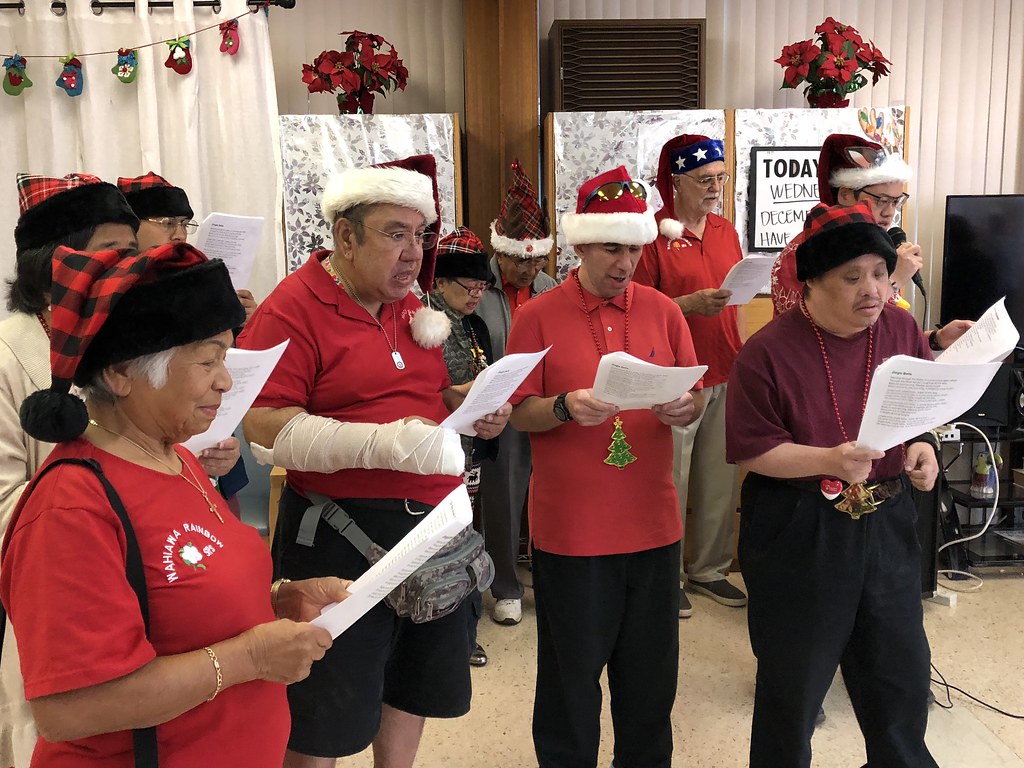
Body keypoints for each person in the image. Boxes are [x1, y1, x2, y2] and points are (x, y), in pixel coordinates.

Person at [0, 240, 348, 768]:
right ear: (120, 372)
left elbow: (177, 602)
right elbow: (68, 707)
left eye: (226, 357)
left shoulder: (175, 457)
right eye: (208, 360)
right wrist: (251, 656)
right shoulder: (72, 505)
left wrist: (275, 601)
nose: (226, 381)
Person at [237, 155, 510, 768]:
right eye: (394, 233)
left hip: (433, 529)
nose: (413, 253)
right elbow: (263, 426)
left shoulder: (407, 304)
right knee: (324, 713)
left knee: (411, 685)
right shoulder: (294, 306)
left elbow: (410, 393)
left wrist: (462, 403)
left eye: (420, 234)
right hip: (340, 533)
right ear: (344, 235)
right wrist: (384, 442)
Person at [726, 201, 941, 768]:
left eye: (879, 272)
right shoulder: (767, 352)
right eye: (853, 277)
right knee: (793, 689)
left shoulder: (899, 326)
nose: (873, 289)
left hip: (888, 523)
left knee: (899, 678)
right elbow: (753, 450)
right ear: (812, 282)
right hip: (801, 530)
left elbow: (917, 412)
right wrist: (827, 458)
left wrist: (923, 449)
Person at [506, 166, 703, 768]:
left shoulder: (664, 311)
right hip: (572, 530)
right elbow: (517, 413)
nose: (625, 262)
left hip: (652, 524)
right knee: (570, 682)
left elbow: (693, 394)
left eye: (635, 248)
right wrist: (565, 406)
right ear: (581, 244)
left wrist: (681, 407)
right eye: (612, 247)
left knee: (650, 681)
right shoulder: (536, 315)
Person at [0, 172, 140, 768]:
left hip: (145, 579)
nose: (133, 268)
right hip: (60, 592)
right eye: (117, 253)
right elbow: (5, 502)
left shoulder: (123, 342)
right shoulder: (9, 353)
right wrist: (101, 501)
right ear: (55, 262)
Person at [632, 134, 746, 617]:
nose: (715, 187)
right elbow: (635, 308)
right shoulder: (653, 235)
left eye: (720, 178)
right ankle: (667, 573)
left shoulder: (725, 230)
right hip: (675, 377)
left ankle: (709, 569)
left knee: (718, 480)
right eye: (704, 180)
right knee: (670, 481)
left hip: (726, 366)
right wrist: (688, 305)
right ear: (675, 182)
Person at [117, 172, 250, 514]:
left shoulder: (195, 278)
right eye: (166, 222)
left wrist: (222, 447)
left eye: (184, 223)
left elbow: (216, 378)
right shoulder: (113, 297)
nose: (178, 233)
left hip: (196, 449)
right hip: (140, 462)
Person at [770, 133, 972, 351]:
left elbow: (878, 340)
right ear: (845, 195)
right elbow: (829, 342)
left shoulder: (878, 251)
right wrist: (893, 280)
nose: (890, 212)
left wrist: (935, 339)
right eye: (881, 200)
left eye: (896, 201)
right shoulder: (803, 254)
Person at [476, 159, 556, 626]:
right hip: (495, 412)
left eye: (535, 258)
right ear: (500, 252)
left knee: (548, 493)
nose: (528, 268)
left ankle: (547, 577)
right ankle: (505, 585)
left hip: (543, 405)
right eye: (519, 258)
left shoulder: (549, 288)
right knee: (503, 496)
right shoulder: (478, 287)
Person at [428, 226, 499, 667]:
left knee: (468, 535)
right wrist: (461, 391)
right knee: (441, 541)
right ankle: (448, 631)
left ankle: (466, 625)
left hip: (471, 447)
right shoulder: (423, 322)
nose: (476, 294)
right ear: (438, 282)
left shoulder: (472, 324)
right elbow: (424, 389)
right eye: (467, 286)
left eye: (483, 286)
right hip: (437, 450)